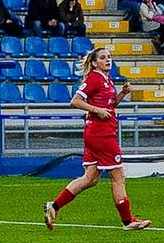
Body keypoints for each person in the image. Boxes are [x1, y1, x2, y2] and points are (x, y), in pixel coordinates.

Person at [42, 44, 152, 232]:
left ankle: (54, 206)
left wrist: (122, 94)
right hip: (102, 134)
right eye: (102, 57)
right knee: (118, 176)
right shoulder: (94, 78)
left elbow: (110, 106)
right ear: (93, 63)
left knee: (90, 178)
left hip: (97, 133)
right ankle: (128, 221)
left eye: (108, 56)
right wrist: (96, 110)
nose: (107, 59)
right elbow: (75, 101)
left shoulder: (106, 79)